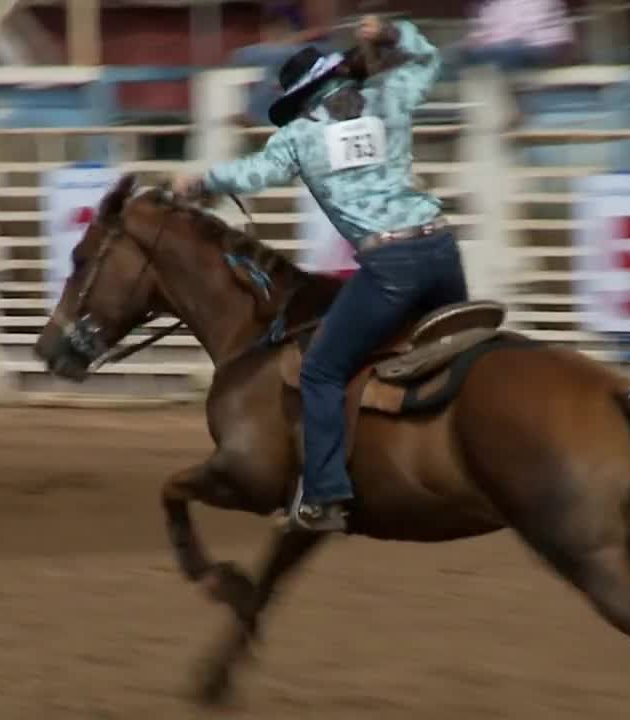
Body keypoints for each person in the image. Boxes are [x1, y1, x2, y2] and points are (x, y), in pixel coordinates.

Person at [173, 15, 468, 533]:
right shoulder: (388, 96)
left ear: (299, 96)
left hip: (391, 267)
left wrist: (201, 181)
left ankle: (327, 494)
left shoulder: (299, 138)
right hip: (443, 252)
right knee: (453, 354)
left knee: (322, 370)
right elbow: (428, 59)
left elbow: (252, 175)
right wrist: (392, 34)